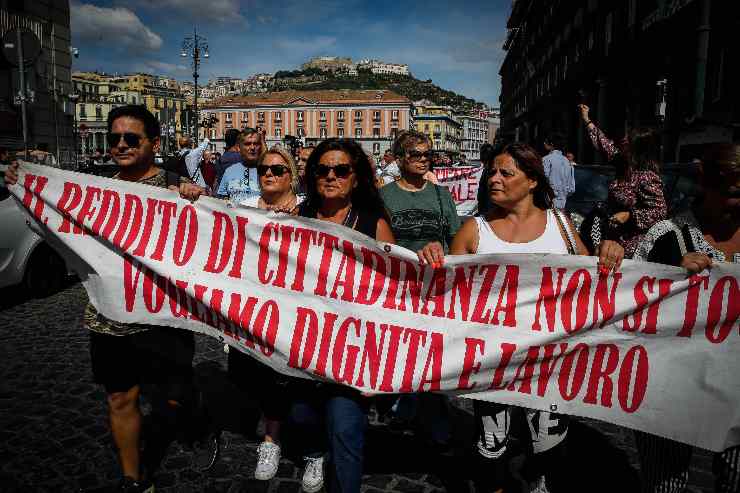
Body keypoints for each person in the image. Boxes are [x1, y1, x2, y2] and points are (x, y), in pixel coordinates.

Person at [5, 105, 212, 492]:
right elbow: (52, 217)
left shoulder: (175, 187)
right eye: (115, 138)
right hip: (109, 316)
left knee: (174, 395)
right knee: (120, 397)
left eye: (131, 138)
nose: (120, 145)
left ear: (153, 142)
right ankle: (133, 479)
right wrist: (25, 182)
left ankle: (197, 426)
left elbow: (213, 238)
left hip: (163, 315)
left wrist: (196, 196)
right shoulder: (96, 190)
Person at [441, 143, 624, 493]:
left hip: (550, 362)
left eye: (505, 173)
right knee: (491, 443)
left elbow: (594, 281)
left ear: (532, 181)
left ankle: (538, 480)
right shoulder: (473, 232)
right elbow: (448, 295)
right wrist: (433, 256)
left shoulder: (563, 227)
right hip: (491, 361)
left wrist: (610, 252)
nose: (494, 179)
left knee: (549, 444)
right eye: (491, 172)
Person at [632, 143, 740, 493]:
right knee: (665, 482)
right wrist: (670, 277)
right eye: (735, 192)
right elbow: (628, 312)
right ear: (707, 184)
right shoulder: (666, 238)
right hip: (671, 390)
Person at [298, 138, 395, 493]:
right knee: (302, 415)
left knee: (345, 430)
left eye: (341, 170)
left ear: (355, 178)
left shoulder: (374, 226)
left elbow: (392, 292)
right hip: (304, 345)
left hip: (351, 352)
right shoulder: (299, 218)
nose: (330, 176)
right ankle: (311, 452)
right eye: (322, 169)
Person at [380, 130, 459, 453]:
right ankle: (402, 405)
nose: (424, 159)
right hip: (399, 290)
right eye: (415, 154)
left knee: (436, 356)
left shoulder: (442, 196)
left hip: (435, 291)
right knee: (401, 352)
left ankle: (436, 416)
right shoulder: (384, 196)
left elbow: (456, 241)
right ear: (399, 159)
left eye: (428, 154)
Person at [578, 104, 667, 258]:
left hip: (629, 248)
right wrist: (587, 119)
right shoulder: (622, 161)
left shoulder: (647, 176)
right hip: (610, 236)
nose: (623, 139)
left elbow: (659, 212)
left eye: (628, 139)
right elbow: (603, 143)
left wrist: (629, 215)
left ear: (638, 147)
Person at [215, 127, 264, 205]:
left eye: (256, 144)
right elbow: (221, 200)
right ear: (239, 147)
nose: (252, 147)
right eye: (247, 144)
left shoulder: (267, 171)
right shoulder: (229, 171)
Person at [542, 132, 575, 209]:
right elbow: (571, 189)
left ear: (552, 144)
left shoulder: (546, 160)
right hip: (563, 206)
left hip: (547, 205)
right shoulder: (568, 163)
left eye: (546, 142)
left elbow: (542, 181)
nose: (544, 143)